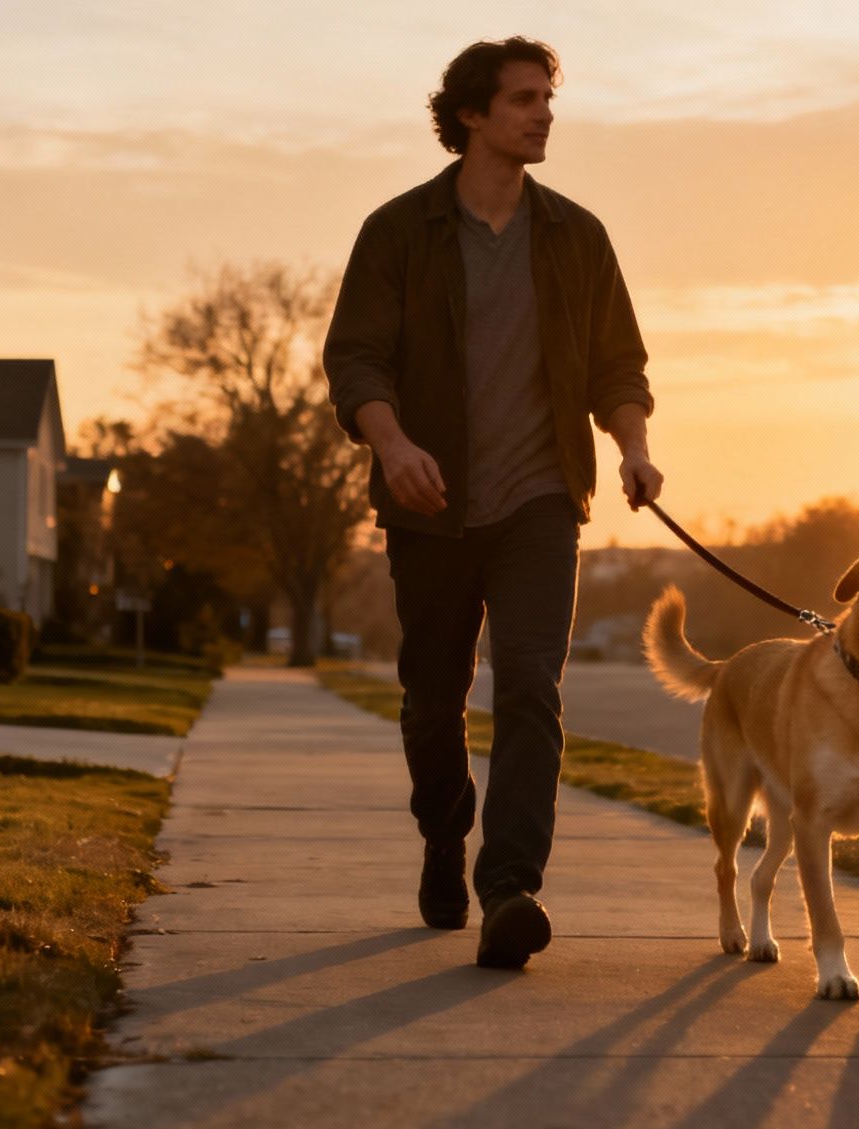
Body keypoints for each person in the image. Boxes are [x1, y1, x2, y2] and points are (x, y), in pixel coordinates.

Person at [324, 36, 662, 970]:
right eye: (522, 99)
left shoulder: (577, 236)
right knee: (433, 702)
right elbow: (355, 358)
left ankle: (510, 885)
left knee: (529, 687)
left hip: (541, 504)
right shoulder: (398, 231)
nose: (543, 113)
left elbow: (617, 365)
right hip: (429, 505)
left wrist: (632, 448)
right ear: (471, 115)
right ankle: (444, 831)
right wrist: (392, 446)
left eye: (547, 98)